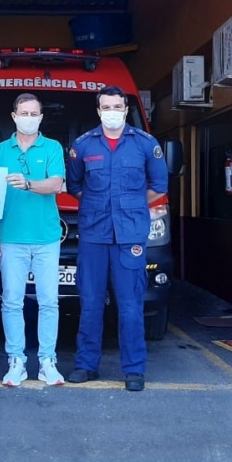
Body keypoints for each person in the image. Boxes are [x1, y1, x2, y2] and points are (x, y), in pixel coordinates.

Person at [65, 85, 168, 392]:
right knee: (90, 303)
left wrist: (132, 206)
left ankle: (134, 369)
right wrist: (100, 207)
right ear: (99, 111)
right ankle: (86, 364)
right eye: (106, 107)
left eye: (117, 107)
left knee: (131, 306)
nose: (112, 112)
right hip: (94, 235)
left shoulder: (145, 144)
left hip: (129, 236)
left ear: (126, 110)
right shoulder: (83, 146)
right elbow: (75, 186)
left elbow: (159, 186)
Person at [0, 94, 66, 387]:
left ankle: (47, 361)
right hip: (11, 237)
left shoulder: (53, 147)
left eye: (34, 114)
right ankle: (16, 361)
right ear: (14, 116)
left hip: (47, 238)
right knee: (11, 301)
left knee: (49, 302)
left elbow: (56, 184)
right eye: (24, 113)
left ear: (41, 118)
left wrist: (28, 184)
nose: (29, 118)